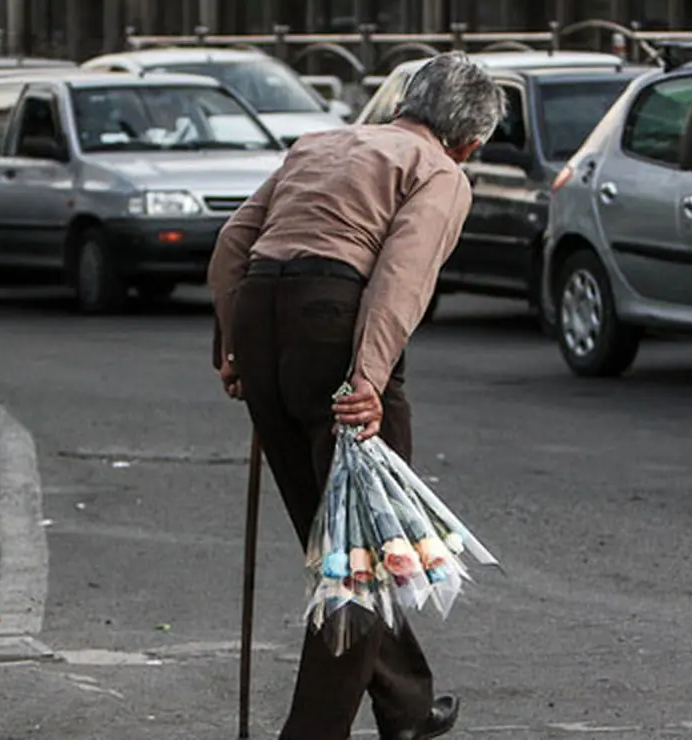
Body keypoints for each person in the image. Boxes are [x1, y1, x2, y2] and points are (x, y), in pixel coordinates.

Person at [206, 52, 505, 740]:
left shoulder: (319, 143)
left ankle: (405, 705)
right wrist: (367, 380)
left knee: (338, 542)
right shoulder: (439, 170)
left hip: (263, 314)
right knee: (361, 562)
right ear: (470, 141)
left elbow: (232, 245)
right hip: (334, 326)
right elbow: (401, 275)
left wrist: (231, 345)